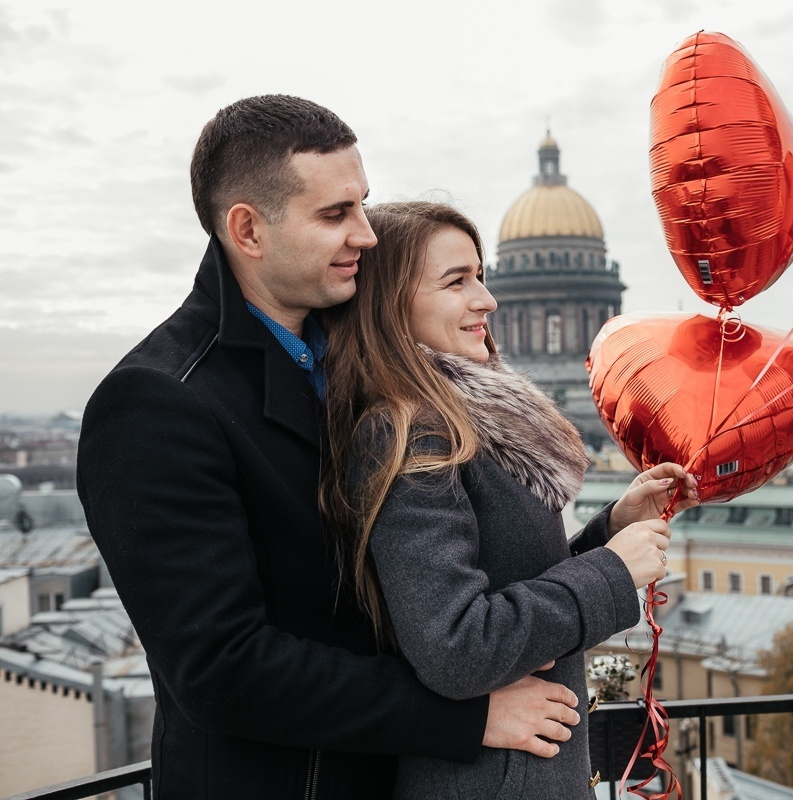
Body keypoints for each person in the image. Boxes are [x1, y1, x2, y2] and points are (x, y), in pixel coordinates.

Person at [76, 96, 584, 799]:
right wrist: (458, 715)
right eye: (334, 214)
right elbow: (224, 671)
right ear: (248, 230)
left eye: (363, 206)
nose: (368, 235)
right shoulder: (157, 403)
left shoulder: (371, 361)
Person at [319, 200, 700, 799]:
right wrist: (612, 572)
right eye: (457, 281)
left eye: (482, 276)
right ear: (392, 305)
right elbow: (456, 645)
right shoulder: (413, 432)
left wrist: (611, 529)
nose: (488, 301)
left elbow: (510, 578)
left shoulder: (470, 420)